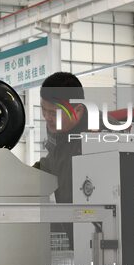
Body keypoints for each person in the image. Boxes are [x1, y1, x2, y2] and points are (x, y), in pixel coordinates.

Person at [34, 72, 90, 248]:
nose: (47, 117)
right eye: (44, 110)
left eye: (53, 112)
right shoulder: (58, 131)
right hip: (75, 232)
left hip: (101, 232)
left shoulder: (101, 135)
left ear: (78, 110)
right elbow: (55, 162)